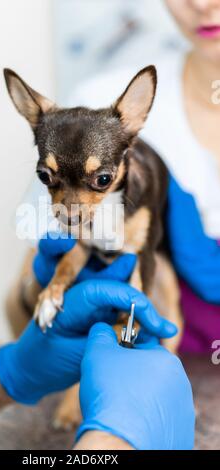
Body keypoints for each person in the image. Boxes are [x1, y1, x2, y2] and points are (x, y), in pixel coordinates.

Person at [0, 0, 195, 451]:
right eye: (50, 180)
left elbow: (153, 267)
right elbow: (33, 285)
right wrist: (30, 324)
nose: (70, 207)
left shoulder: (140, 172)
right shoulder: (79, 109)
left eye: (99, 181)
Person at [54, 0, 220, 354]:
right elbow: (19, 311)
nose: (203, 5)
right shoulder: (102, 111)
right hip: (153, 371)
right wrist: (44, 300)